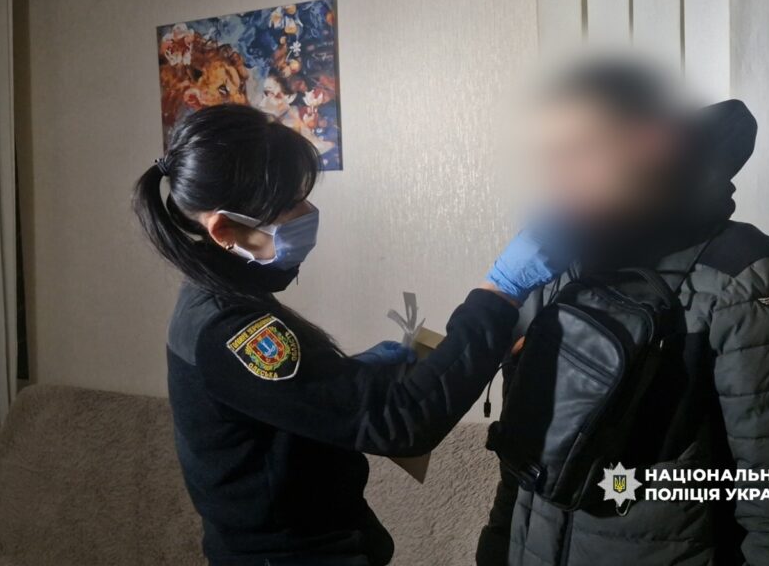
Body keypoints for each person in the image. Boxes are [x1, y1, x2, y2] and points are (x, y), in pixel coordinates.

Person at [133, 104, 569, 566]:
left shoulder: (215, 297)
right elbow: (404, 422)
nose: (307, 213)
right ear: (224, 229)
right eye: (289, 204)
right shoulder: (232, 330)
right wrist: (501, 289)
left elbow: (278, 406)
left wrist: (352, 373)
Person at [477, 61, 769, 565]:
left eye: (580, 152)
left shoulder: (750, 281)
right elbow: (523, 465)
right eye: (550, 158)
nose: (558, 180)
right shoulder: (557, 267)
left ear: (651, 145)